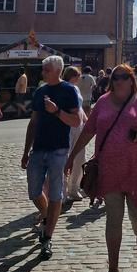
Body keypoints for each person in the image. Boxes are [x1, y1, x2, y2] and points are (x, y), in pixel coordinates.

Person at [67, 65, 137, 272]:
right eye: (115, 77)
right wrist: (71, 158)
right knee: (113, 219)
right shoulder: (102, 101)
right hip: (109, 171)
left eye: (123, 77)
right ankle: (113, 271)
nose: (119, 81)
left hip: (136, 170)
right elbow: (89, 131)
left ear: (131, 80)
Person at [21, 56, 81, 260]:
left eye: (46, 69)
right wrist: (25, 150)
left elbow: (76, 121)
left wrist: (57, 112)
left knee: (56, 194)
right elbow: (33, 122)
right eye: (43, 69)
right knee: (34, 191)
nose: (42, 72)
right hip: (38, 149)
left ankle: (47, 237)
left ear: (56, 71)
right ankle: (47, 215)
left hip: (58, 150)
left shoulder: (68, 90)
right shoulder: (40, 91)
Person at [62, 66, 87, 200]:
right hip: (68, 126)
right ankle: (63, 191)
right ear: (73, 76)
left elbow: (79, 107)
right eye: (78, 76)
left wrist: (85, 120)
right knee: (66, 157)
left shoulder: (76, 88)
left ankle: (74, 188)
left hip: (79, 126)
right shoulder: (64, 88)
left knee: (80, 157)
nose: (79, 78)